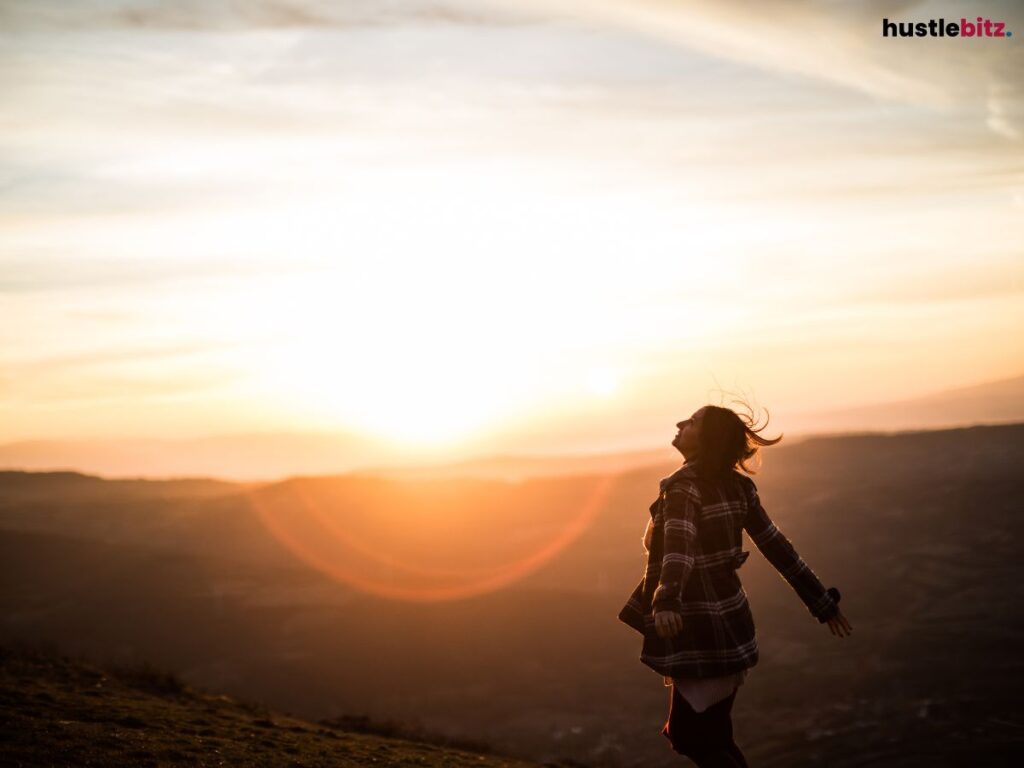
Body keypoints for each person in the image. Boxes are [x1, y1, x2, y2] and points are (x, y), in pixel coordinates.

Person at [618, 404, 853, 767]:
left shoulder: (683, 487)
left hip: (697, 629)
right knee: (712, 735)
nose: (681, 423)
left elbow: (679, 549)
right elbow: (778, 547)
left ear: (708, 438)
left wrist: (666, 600)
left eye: (692, 422)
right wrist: (820, 601)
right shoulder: (738, 486)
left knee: (689, 736)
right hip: (732, 625)